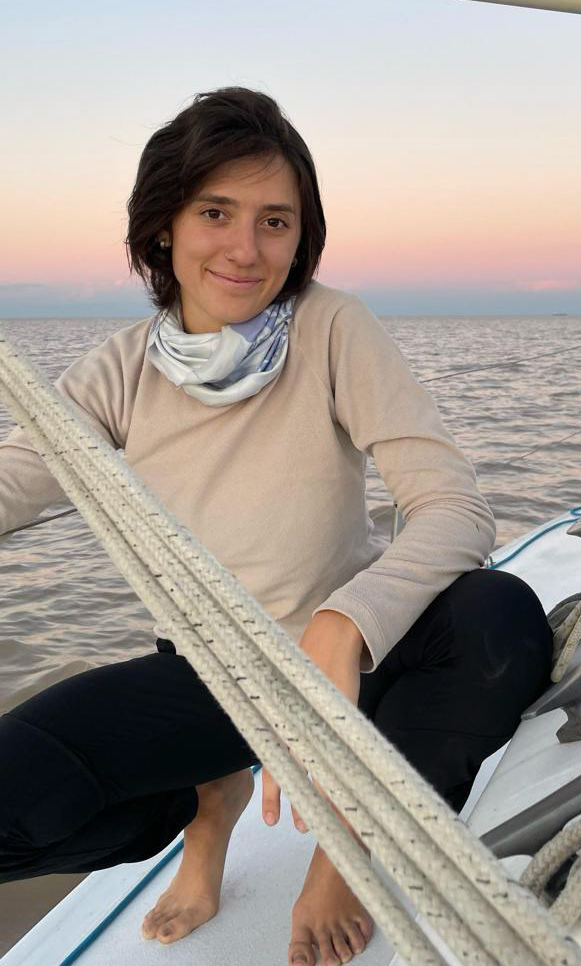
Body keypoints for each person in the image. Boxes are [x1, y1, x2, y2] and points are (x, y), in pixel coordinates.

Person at [0, 87, 552, 966]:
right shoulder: (117, 373)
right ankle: (199, 804)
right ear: (164, 226)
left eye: (275, 222)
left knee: (502, 615)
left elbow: (454, 507)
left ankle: (344, 851)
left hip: (348, 658)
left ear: (301, 238)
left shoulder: (331, 327)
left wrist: (346, 620)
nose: (246, 249)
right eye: (215, 212)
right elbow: (13, 483)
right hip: (210, 673)